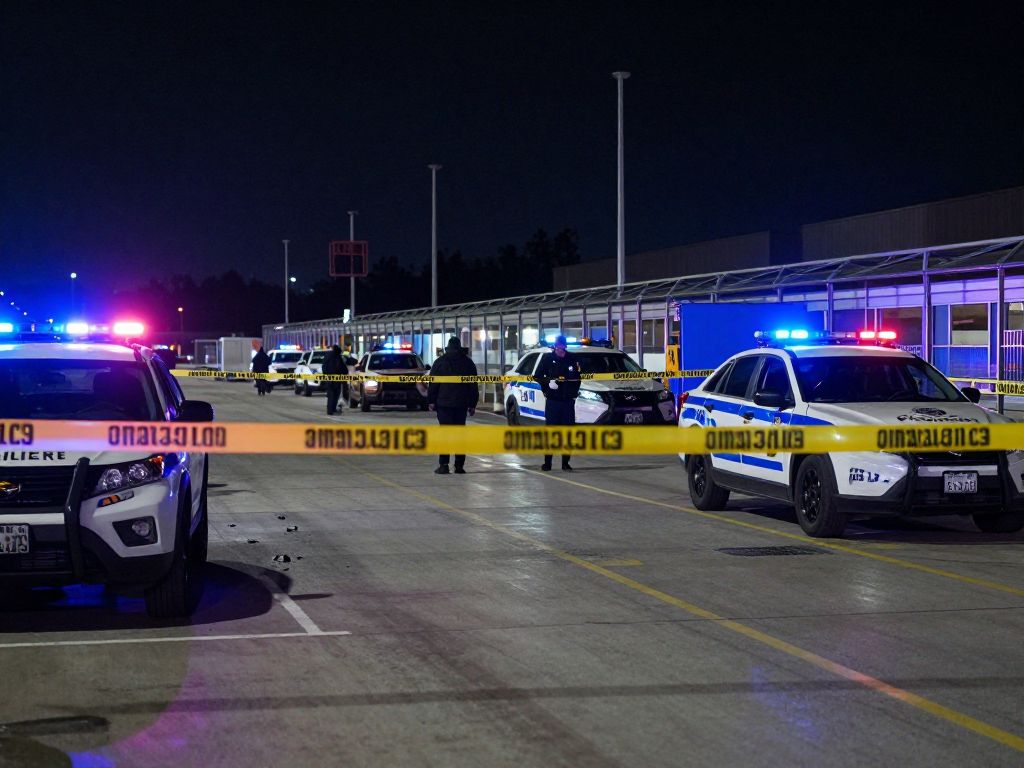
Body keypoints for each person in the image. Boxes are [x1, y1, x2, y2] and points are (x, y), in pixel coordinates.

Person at [427, 337, 479, 474]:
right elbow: (473, 385)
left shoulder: (440, 362)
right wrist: (472, 404)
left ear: (448, 348)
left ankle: (444, 465)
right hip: (461, 404)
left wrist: (431, 401)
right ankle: (459, 466)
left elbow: (433, 383)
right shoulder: (468, 363)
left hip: (443, 404)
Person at [533, 335, 581, 471]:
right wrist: (548, 384)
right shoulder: (547, 359)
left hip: (567, 402)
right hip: (553, 402)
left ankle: (565, 462)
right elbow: (537, 376)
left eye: (563, 347)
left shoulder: (572, 359)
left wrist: (573, 394)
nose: (561, 350)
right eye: (559, 347)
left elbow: (578, 378)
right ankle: (547, 462)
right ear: (555, 346)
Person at [323, 344, 348, 415]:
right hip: (336, 379)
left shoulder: (327, 356)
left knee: (330, 395)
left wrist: (325, 375)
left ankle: (330, 409)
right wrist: (345, 373)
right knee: (335, 394)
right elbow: (341, 367)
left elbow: (324, 366)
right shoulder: (337, 357)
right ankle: (332, 409)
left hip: (328, 378)